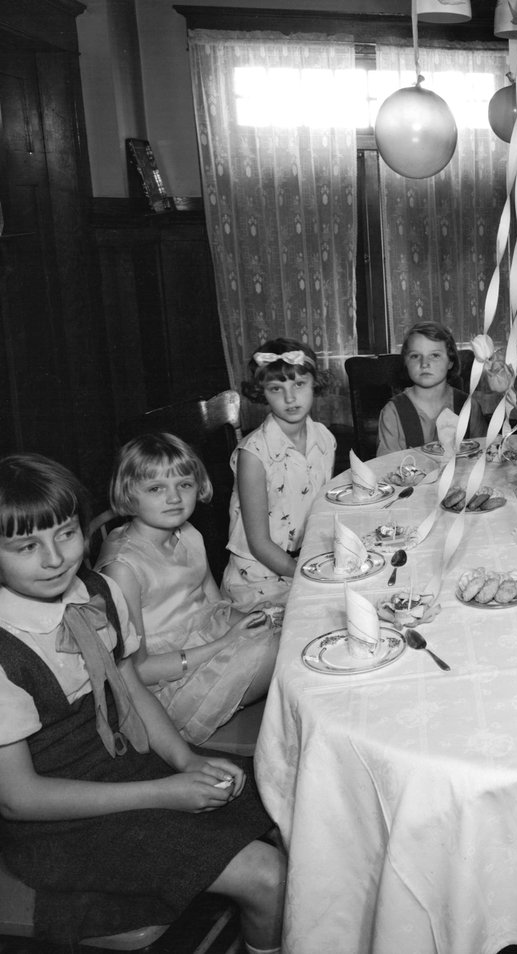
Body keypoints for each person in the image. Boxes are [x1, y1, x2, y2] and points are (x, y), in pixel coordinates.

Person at [0, 453, 284, 951]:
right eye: (26, 545)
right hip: (61, 823)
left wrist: (186, 759)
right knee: (268, 876)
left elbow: (130, 686)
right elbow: (18, 800)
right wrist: (166, 792)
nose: (54, 558)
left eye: (65, 534)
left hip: (130, 765)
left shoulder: (97, 589)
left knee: (289, 802)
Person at [96, 433, 280, 745]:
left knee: (291, 626)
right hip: (168, 688)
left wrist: (260, 621)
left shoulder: (189, 534)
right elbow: (136, 671)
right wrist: (226, 644)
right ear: (129, 494)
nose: (174, 498)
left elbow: (217, 608)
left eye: (184, 484)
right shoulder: (123, 568)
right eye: (156, 488)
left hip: (211, 647)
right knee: (280, 650)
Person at [221, 338, 336, 611]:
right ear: (262, 393)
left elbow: (322, 511)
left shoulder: (325, 438)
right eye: (276, 388)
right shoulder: (254, 455)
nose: (290, 398)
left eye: (299, 384)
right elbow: (259, 544)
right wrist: (308, 576)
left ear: (314, 384)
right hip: (260, 579)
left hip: (306, 559)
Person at [376, 322, 486, 454]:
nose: (424, 364)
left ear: (450, 361)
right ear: (405, 362)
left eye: (435, 355)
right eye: (415, 356)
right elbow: (386, 468)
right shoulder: (393, 413)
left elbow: (485, 457)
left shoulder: (469, 408)